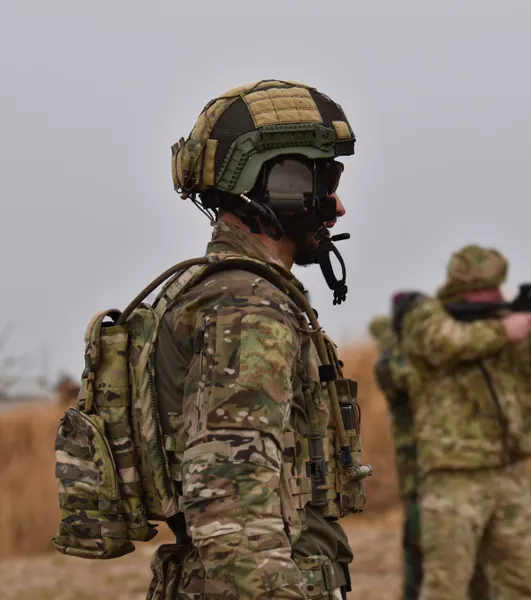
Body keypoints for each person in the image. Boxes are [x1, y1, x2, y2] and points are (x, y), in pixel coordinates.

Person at [147, 79, 371, 599]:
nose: (337, 207)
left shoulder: (211, 290)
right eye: (326, 182)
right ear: (280, 184)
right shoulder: (247, 307)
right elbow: (232, 507)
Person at [397, 244, 531, 600]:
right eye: (488, 287)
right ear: (463, 288)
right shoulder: (427, 316)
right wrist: (502, 332)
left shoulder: (506, 319)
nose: (498, 294)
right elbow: (441, 343)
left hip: (509, 472)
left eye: (499, 285)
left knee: (516, 585)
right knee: (446, 587)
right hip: (454, 475)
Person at [369, 307, 490, 600]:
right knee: (421, 553)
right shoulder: (394, 365)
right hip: (419, 476)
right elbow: (404, 373)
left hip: (444, 471)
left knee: (467, 557)